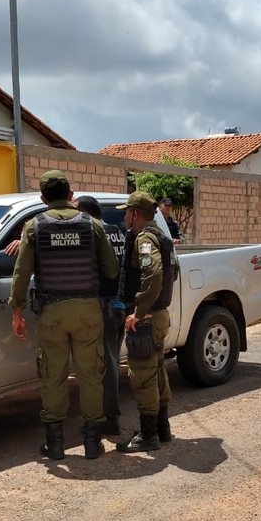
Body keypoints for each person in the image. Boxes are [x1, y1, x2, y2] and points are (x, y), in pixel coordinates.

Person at [8, 170, 120, 460]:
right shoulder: (92, 224)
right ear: (71, 195)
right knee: (91, 375)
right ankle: (92, 444)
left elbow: (21, 274)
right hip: (87, 311)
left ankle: (55, 445)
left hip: (52, 312)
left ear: (43, 198)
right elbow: (111, 269)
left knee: (52, 376)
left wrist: (17, 312)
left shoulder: (34, 227)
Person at [115, 190, 178, 453]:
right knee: (156, 372)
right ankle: (162, 430)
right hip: (159, 315)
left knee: (142, 375)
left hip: (146, 319)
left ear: (135, 214)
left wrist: (139, 311)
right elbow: (170, 274)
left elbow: (152, 274)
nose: (124, 218)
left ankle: (149, 436)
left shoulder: (145, 239)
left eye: (126, 212)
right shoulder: (161, 236)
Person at [73, 195, 128, 437]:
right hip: (119, 305)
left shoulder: (92, 234)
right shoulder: (116, 230)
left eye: (76, 212)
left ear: (85, 214)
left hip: (101, 306)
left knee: (101, 366)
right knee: (111, 362)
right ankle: (108, 416)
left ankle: (110, 420)